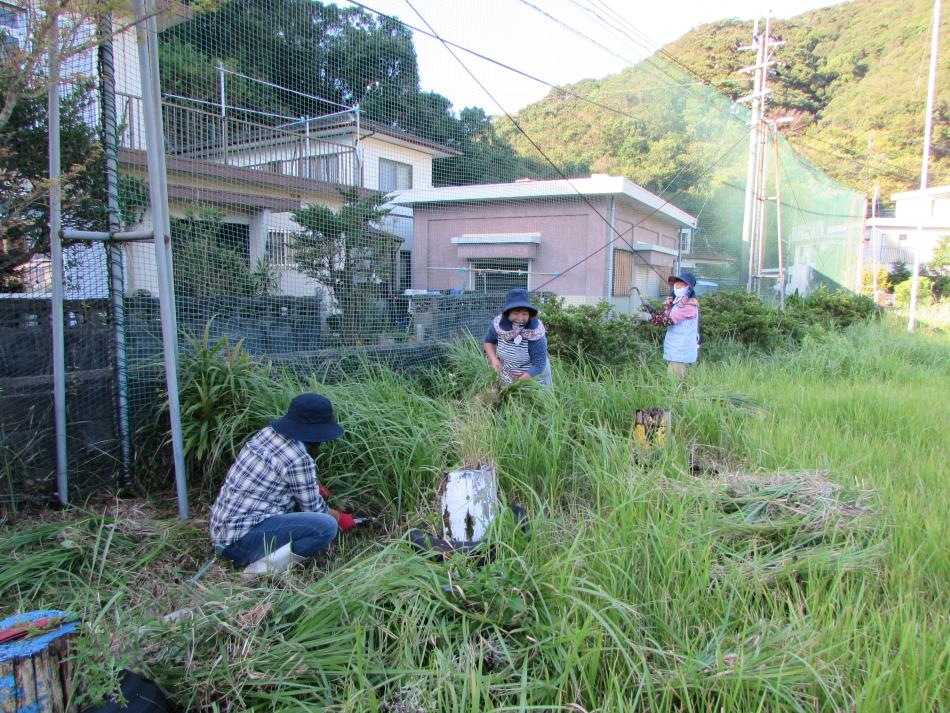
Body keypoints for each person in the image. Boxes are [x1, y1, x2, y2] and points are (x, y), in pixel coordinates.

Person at [209, 393, 357, 575]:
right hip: (241, 544)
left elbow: (279, 470)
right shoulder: (299, 459)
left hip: (222, 531)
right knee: (325, 526)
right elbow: (315, 510)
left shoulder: (266, 434)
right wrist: (341, 518)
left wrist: (313, 484)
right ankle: (259, 571)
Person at [483, 288, 552, 386]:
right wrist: (494, 360)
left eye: (524, 314)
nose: (520, 318)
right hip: (507, 376)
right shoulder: (498, 325)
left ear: (529, 314)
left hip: (533, 380)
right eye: (515, 313)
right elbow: (489, 342)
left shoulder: (535, 332)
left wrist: (518, 383)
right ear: (507, 313)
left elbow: (539, 365)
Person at [648, 272, 700, 378]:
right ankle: (679, 392)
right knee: (674, 371)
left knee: (675, 375)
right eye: (676, 284)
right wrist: (652, 311)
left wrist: (648, 317)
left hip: (682, 345)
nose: (677, 286)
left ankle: (677, 393)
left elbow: (668, 320)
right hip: (676, 343)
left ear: (689, 288)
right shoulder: (677, 301)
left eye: (682, 284)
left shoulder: (689, 305)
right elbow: (665, 315)